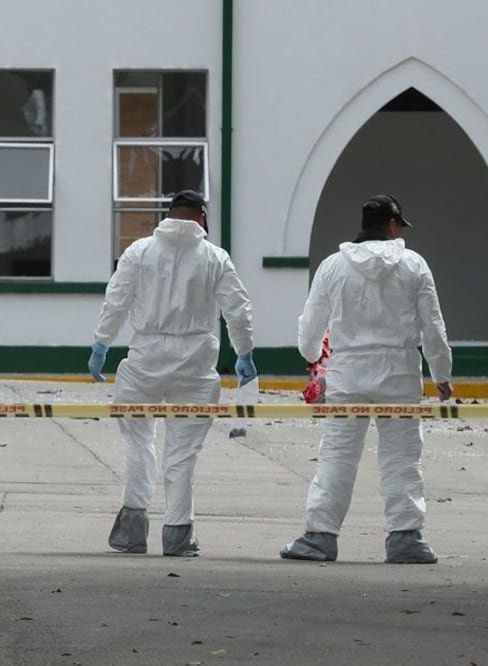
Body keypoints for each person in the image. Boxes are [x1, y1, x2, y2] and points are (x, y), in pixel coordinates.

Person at [281, 194, 453, 565]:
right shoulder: (414, 266)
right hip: (399, 373)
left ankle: (320, 537)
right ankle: (405, 538)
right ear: (392, 225)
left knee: (337, 456)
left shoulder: (332, 267)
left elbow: (310, 324)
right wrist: (442, 376)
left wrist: (313, 360)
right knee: (402, 458)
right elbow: (433, 328)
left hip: (348, 374)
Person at [88, 189, 257, 557]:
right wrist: (244, 354)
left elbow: (116, 299)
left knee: (137, 441)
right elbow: (237, 310)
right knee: (182, 453)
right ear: (201, 217)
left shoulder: (140, 251)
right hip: (195, 362)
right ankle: (178, 535)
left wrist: (102, 342)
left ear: (169, 215)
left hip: (145, 357)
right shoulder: (215, 257)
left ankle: (133, 529)